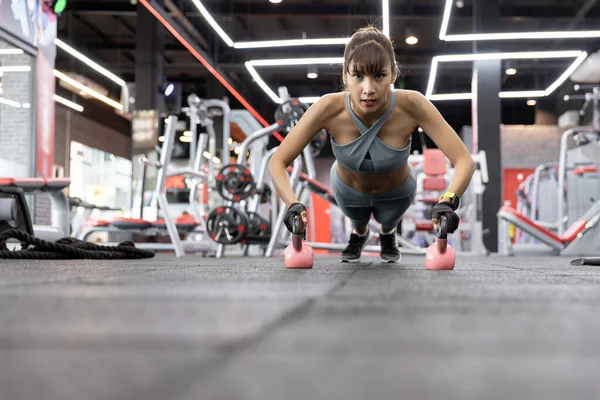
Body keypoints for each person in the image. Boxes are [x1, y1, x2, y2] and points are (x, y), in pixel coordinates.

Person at [268, 25, 475, 263]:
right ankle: (360, 233)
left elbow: (463, 160)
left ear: (393, 74)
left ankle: (388, 233)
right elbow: (278, 161)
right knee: (358, 220)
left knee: (389, 222)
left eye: (379, 76)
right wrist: (292, 204)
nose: (369, 90)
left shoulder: (413, 105)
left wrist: (448, 199)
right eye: (358, 76)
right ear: (345, 75)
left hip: (397, 193)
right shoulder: (327, 108)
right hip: (348, 191)